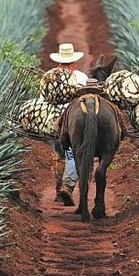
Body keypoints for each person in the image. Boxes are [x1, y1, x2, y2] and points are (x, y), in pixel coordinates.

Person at [48, 43, 88, 206]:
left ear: (59, 61)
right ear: (73, 62)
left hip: (54, 121)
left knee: (59, 155)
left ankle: (59, 191)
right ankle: (67, 186)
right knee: (73, 155)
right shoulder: (81, 77)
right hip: (75, 123)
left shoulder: (50, 76)